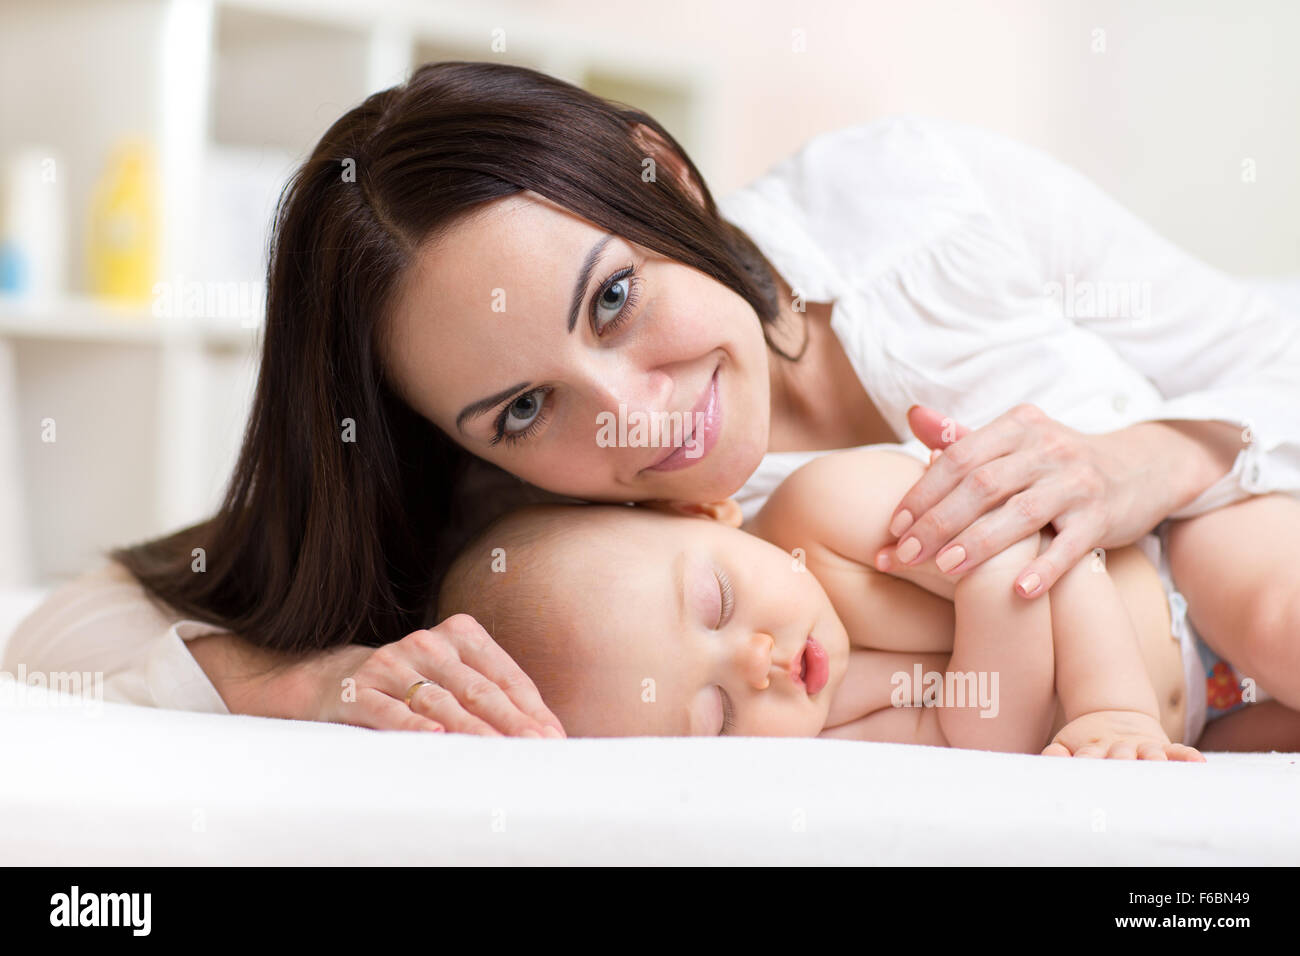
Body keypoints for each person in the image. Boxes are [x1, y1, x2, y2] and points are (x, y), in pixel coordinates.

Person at [7, 62, 1299, 737]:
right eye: (521, 407)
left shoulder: (917, 205)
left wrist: (1164, 457)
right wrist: (313, 685)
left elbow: (1267, 342)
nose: (628, 414)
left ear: (666, 185)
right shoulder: (546, 548)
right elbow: (59, 631)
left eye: (613, 300)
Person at [433, 444, 1271, 756]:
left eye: (717, 603)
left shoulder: (824, 512)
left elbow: (1042, 542)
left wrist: (1111, 705)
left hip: (1181, 578)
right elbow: (986, 736)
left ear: (704, 512)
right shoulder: (816, 719)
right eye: (715, 716)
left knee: (1279, 621)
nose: (754, 664)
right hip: (1203, 720)